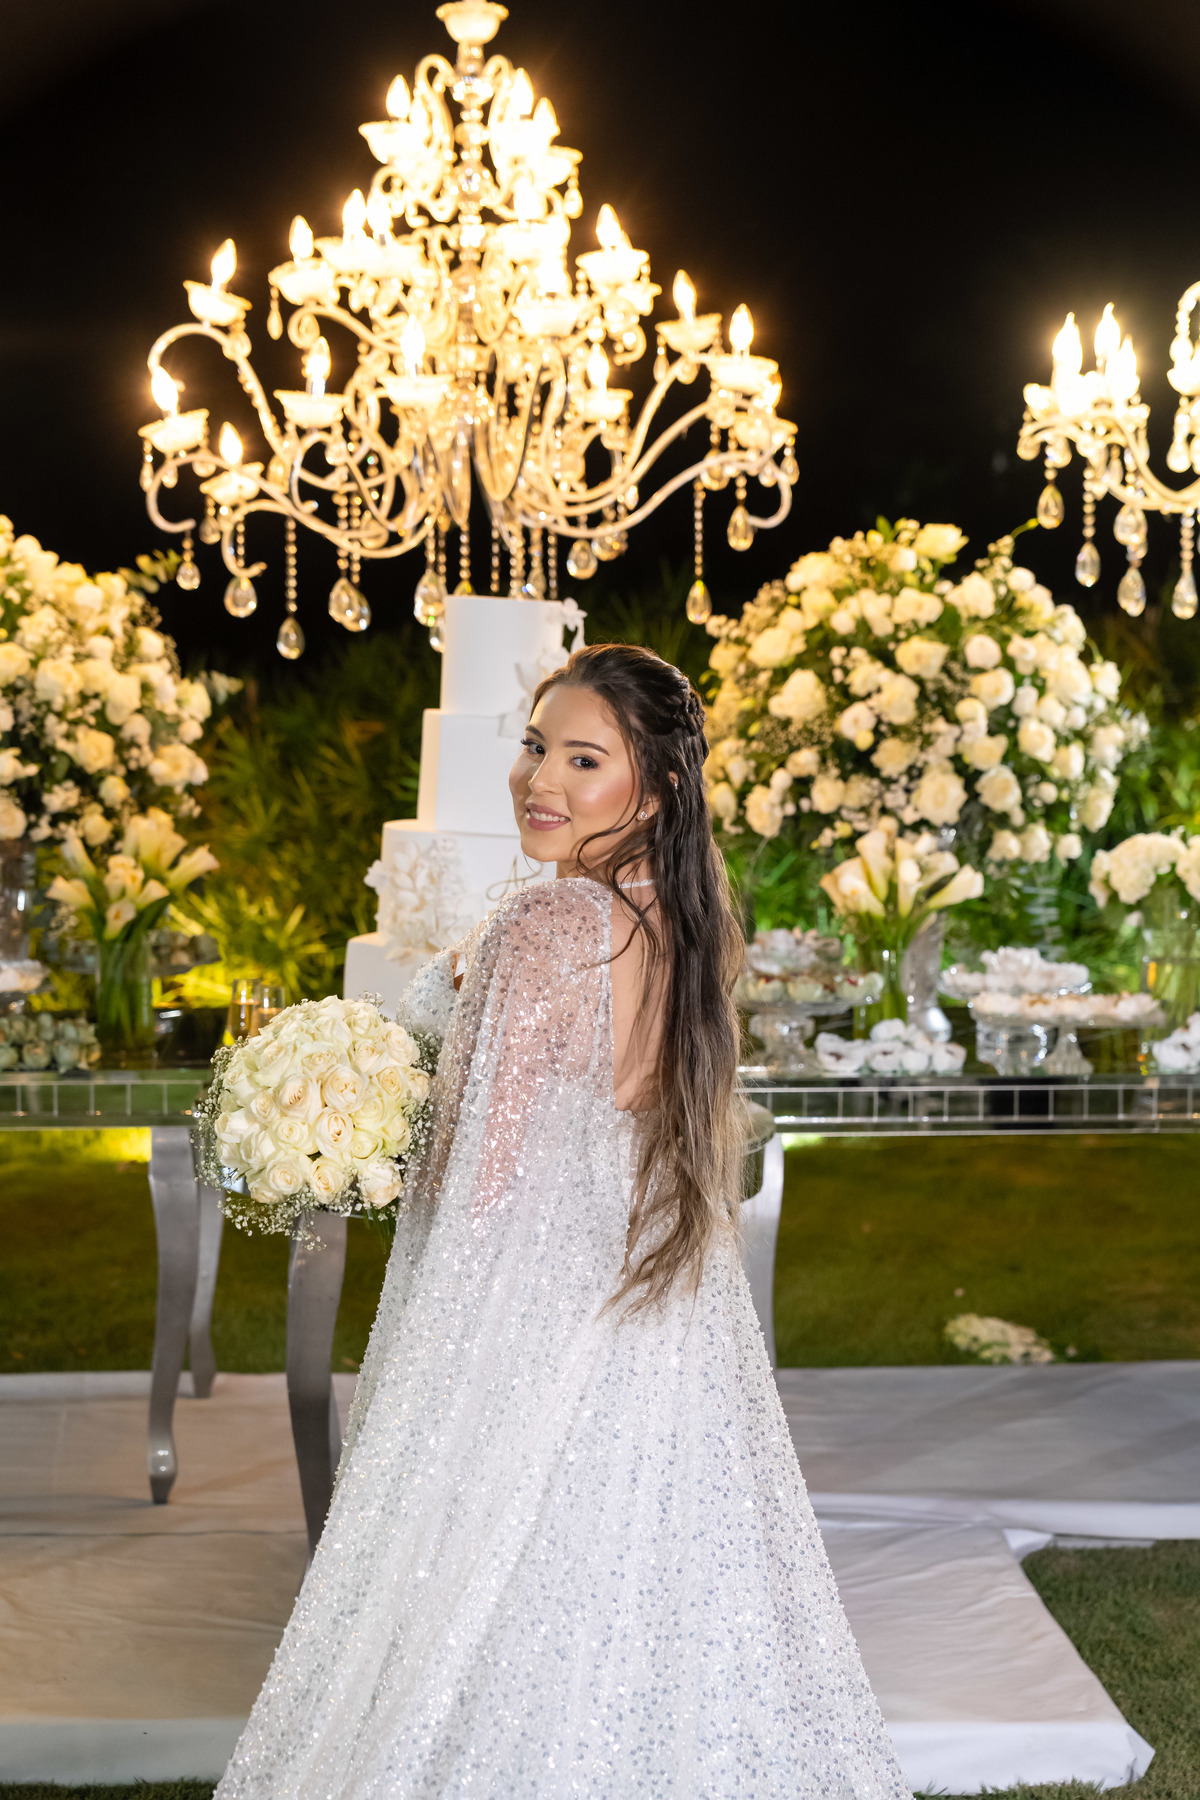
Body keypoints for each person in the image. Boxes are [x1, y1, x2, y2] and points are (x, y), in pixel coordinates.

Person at [215, 644, 908, 1799]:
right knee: (631, 1558)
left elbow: (483, 1169)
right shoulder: (681, 918)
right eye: (537, 747)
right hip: (646, 1285)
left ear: (657, 786)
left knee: (483, 1550)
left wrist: (360, 1149)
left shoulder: (544, 926)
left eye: (584, 759)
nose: (540, 780)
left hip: (528, 1288)